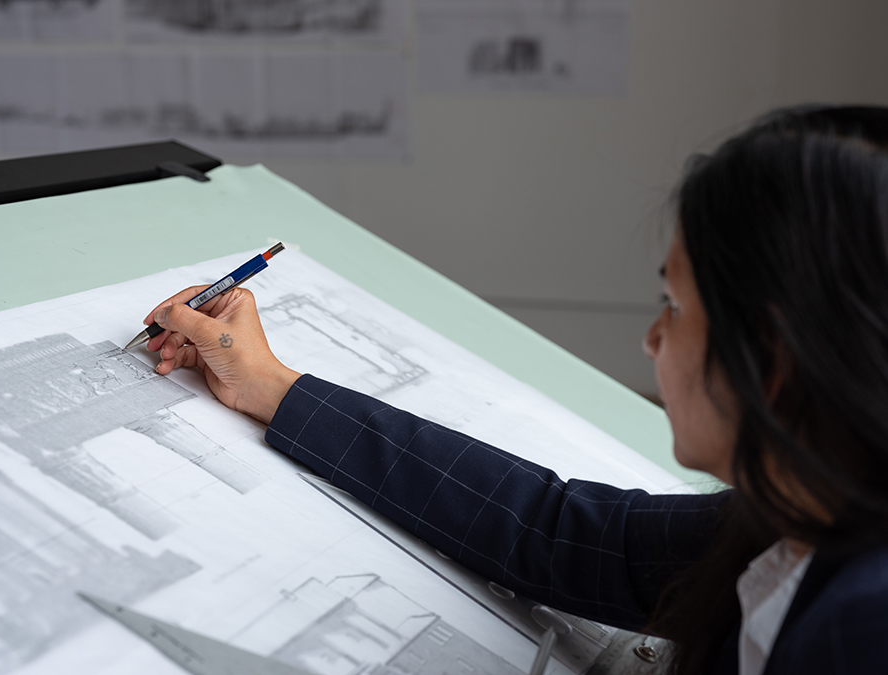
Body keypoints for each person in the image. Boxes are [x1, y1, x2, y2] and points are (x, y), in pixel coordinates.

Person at [141, 105, 888, 675]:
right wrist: (273, 388)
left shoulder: (859, 630)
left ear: (773, 357)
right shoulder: (804, 507)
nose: (651, 339)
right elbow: (556, 532)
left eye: (675, 306)